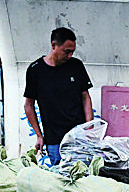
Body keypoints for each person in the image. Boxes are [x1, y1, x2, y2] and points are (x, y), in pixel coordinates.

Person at [23, 27, 94, 165]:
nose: (70, 56)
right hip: (54, 139)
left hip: (78, 138)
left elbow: (85, 97)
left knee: (82, 175)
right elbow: (28, 105)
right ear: (54, 46)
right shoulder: (35, 70)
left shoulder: (76, 66)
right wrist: (39, 135)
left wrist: (89, 128)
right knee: (60, 179)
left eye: (72, 52)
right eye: (66, 52)